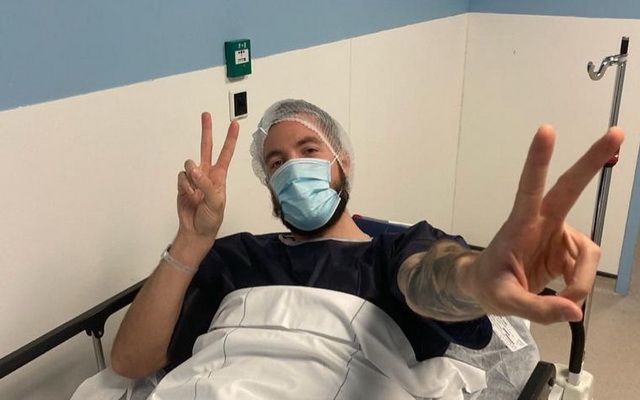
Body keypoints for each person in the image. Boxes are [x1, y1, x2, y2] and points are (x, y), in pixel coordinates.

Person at [110, 99, 624, 387]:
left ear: (343, 161)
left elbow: (433, 278)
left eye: (309, 150)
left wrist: (477, 278)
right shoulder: (235, 256)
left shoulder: (392, 254)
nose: (292, 169)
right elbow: (130, 362)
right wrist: (191, 240)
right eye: (276, 162)